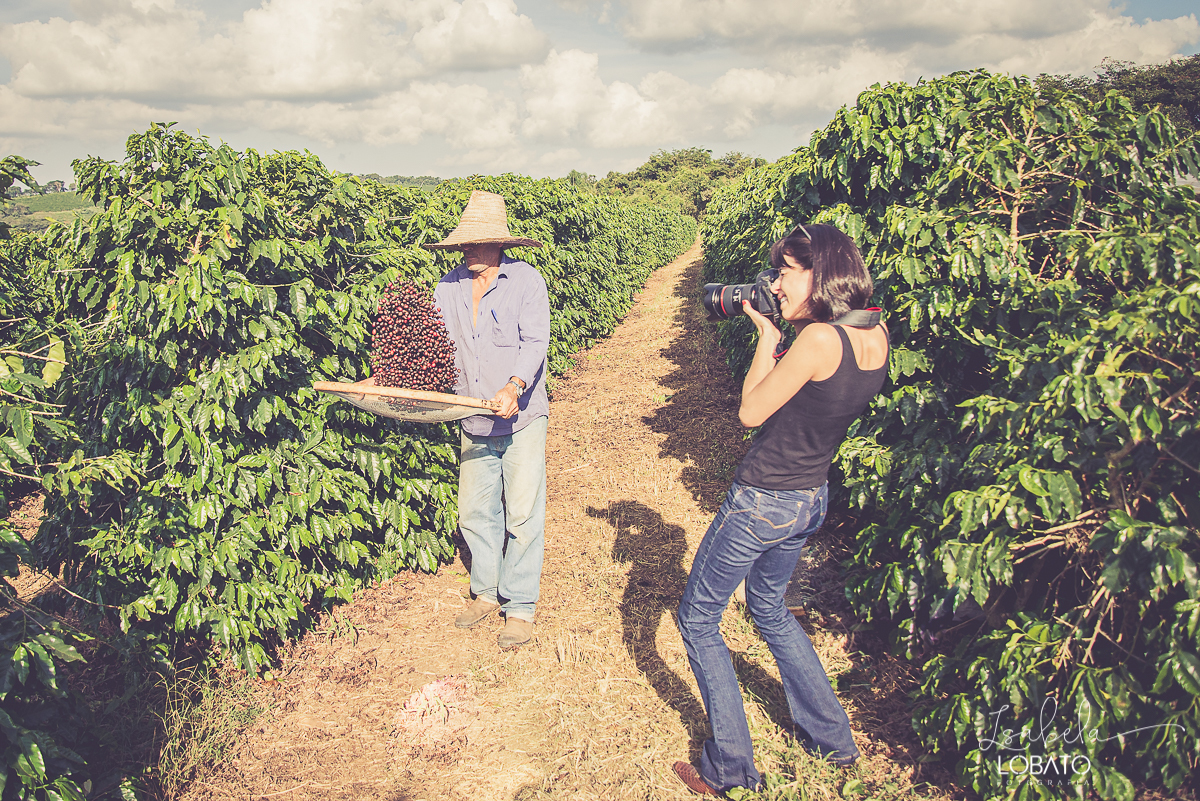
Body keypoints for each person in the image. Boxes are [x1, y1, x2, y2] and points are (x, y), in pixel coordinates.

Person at [672, 223, 888, 796]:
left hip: (763, 500)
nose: (775, 283)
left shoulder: (817, 341)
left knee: (697, 619)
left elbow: (750, 411)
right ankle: (833, 742)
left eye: (785, 272)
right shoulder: (874, 334)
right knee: (769, 610)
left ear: (820, 274)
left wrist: (767, 338)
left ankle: (731, 768)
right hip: (810, 497)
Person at [426, 190, 551, 650]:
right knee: (475, 511)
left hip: (520, 417)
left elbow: (535, 341)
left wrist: (514, 386)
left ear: (499, 244)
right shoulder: (448, 288)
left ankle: (519, 607)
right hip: (472, 417)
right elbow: (435, 347)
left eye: (479, 242)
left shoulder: (526, 282)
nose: (469, 250)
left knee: (521, 512)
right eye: (465, 243)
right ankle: (486, 591)